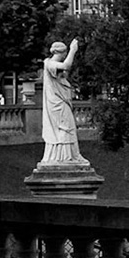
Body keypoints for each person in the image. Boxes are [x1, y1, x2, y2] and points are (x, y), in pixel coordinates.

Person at [39, 39, 87, 167]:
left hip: (60, 102)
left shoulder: (53, 65)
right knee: (65, 127)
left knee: (69, 127)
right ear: (63, 52)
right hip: (56, 104)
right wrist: (73, 50)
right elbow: (66, 66)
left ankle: (71, 155)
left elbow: (63, 73)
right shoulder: (50, 64)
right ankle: (64, 157)